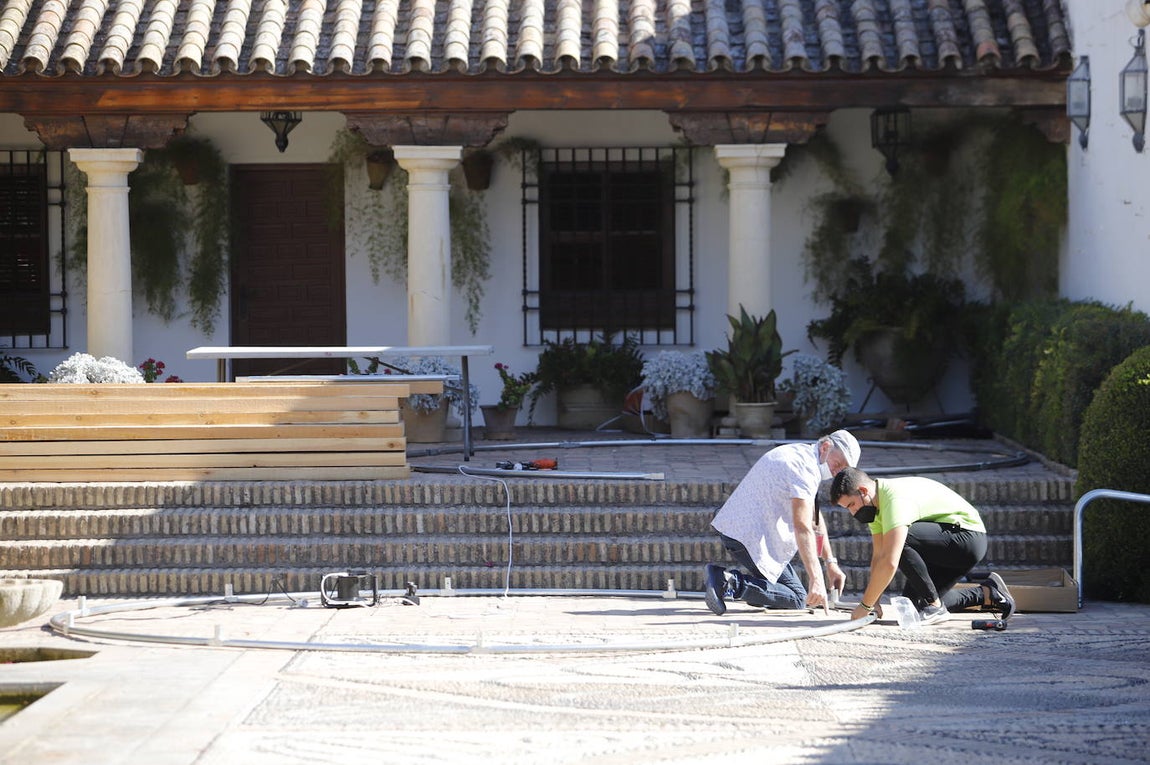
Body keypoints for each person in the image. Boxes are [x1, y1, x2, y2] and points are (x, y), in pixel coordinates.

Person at [829, 466, 1016, 625]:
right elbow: (878, 556)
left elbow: (890, 561)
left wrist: (864, 606)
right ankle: (988, 593)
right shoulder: (875, 509)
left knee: (900, 540)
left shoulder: (893, 500)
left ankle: (934, 607)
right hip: (943, 544)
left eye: (851, 505)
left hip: (967, 537)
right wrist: (874, 601)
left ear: (863, 491)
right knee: (913, 606)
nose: (853, 513)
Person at [703, 430, 861, 615]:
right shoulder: (805, 469)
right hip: (748, 537)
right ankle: (727, 581)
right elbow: (803, 526)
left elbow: (815, 520)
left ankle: (756, 593)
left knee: (790, 595)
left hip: (745, 531)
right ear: (825, 447)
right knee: (796, 598)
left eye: (843, 469)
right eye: (838, 464)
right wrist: (816, 578)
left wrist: (830, 562)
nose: (837, 472)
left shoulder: (801, 455)